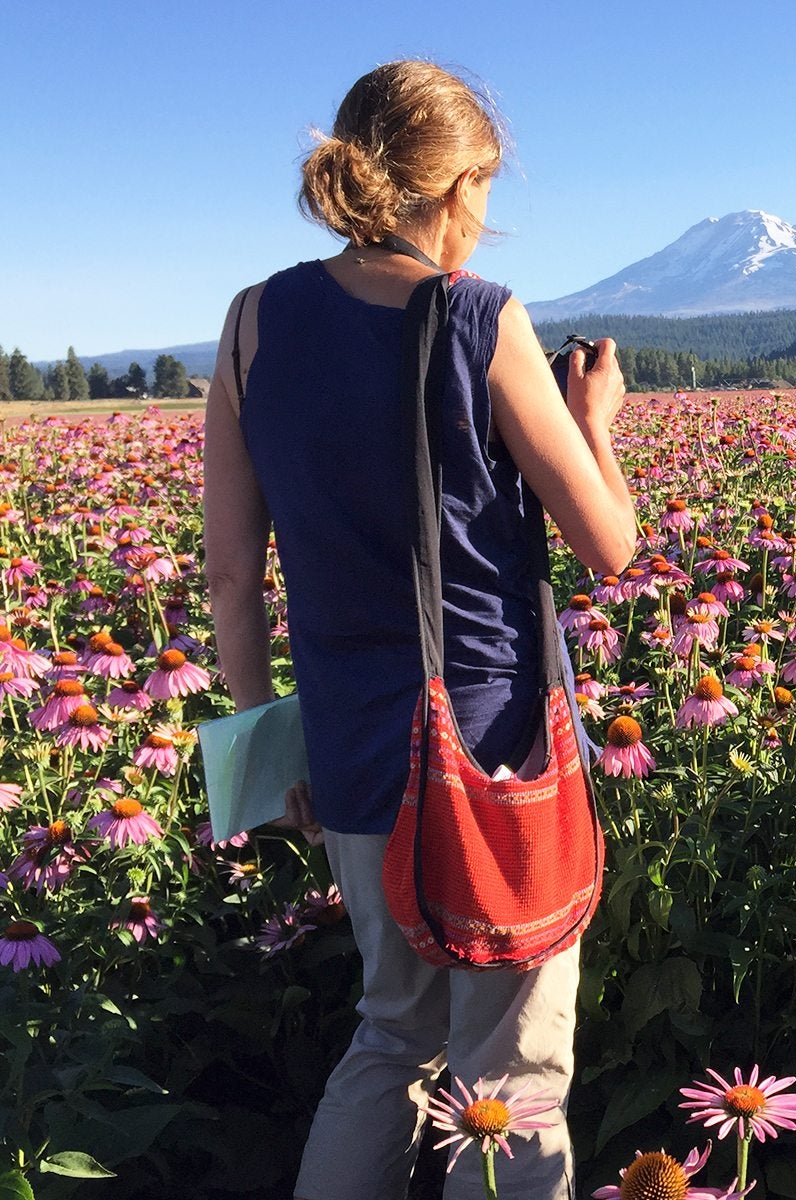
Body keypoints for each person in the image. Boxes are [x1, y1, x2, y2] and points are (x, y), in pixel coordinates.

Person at [202, 61, 637, 1200]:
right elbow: (610, 545)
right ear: (457, 192)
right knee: (515, 1063)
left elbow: (231, 575)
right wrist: (596, 424)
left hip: (349, 742)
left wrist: (265, 745)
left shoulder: (252, 323)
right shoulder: (479, 318)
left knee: (391, 1033)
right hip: (491, 748)